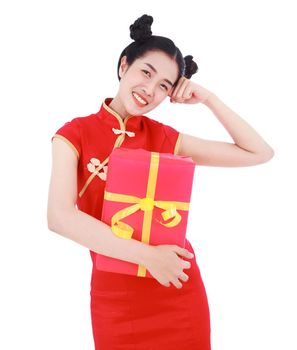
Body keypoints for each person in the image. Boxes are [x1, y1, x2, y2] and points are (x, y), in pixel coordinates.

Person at [47, 14, 274, 350]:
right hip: (116, 296)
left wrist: (209, 99)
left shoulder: (165, 137)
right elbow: (60, 218)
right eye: (146, 73)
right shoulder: (73, 135)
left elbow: (259, 152)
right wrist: (150, 257)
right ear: (125, 65)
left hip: (176, 286)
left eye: (164, 86)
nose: (149, 91)